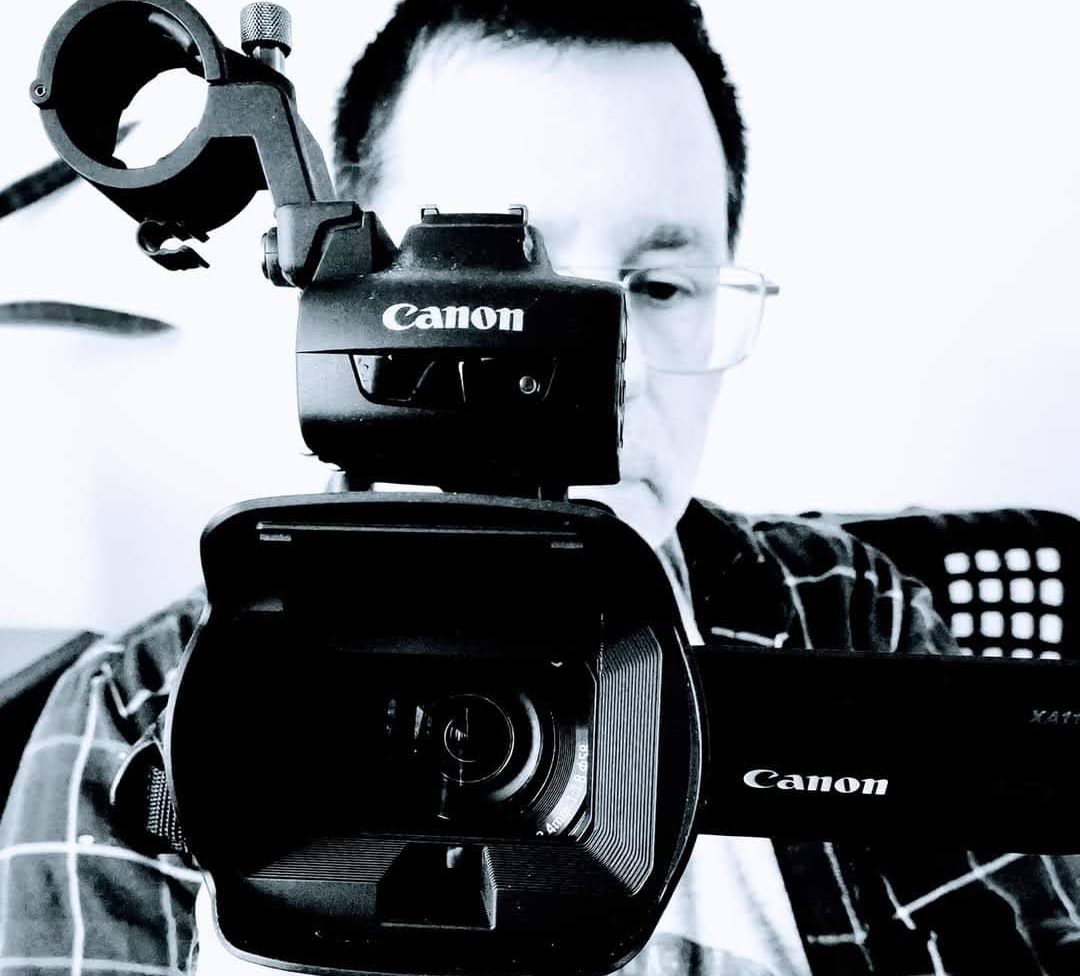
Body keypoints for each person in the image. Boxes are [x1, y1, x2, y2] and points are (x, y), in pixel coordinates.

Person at [1, 1, 1078, 974]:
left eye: (661, 287)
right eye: (503, 275)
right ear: (341, 293)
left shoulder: (848, 612)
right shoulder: (132, 714)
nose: (611, 368)